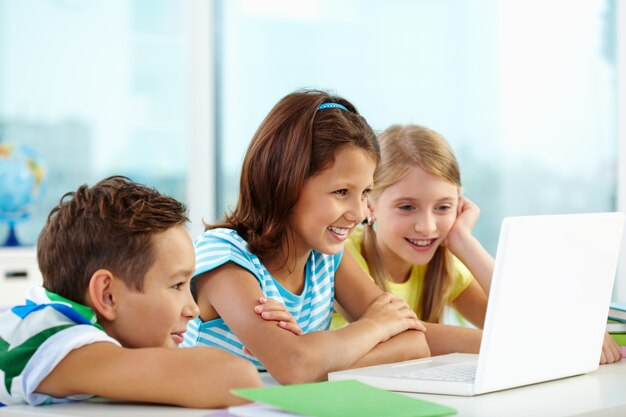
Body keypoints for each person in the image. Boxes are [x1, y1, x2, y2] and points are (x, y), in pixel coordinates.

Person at [182, 90, 430, 385]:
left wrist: (316, 354)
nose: (358, 213)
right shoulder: (224, 257)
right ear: (284, 183)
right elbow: (296, 366)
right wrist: (374, 327)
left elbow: (415, 344)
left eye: (365, 193)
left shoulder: (327, 258)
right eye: (341, 192)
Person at [330, 124, 622, 364]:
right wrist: (546, 342)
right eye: (407, 207)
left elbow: (514, 316)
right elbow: (407, 335)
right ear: (370, 205)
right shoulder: (344, 255)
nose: (427, 226)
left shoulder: (442, 261)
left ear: (460, 205)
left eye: (443, 207)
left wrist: (461, 240)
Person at [0, 176, 261, 408]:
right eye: (177, 285)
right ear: (107, 295)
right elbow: (237, 380)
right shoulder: (55, 339)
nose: (193, 309)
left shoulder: (63, 322)